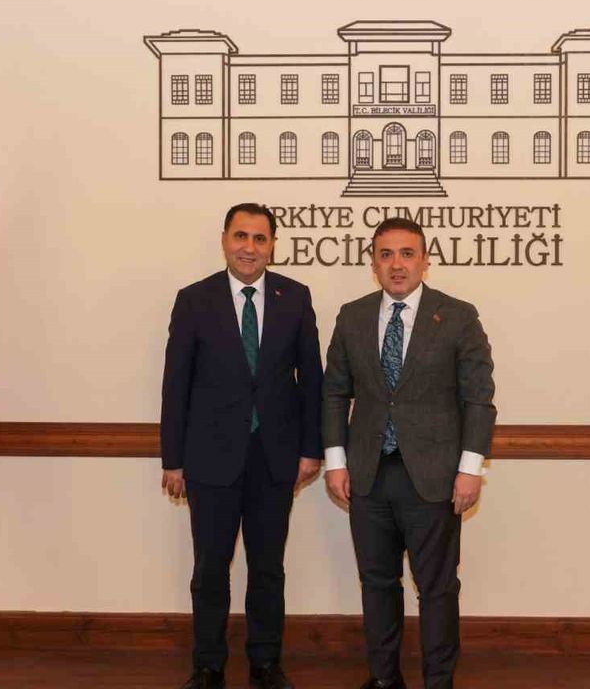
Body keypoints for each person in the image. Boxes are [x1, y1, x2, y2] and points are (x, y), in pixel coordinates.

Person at [322, 217, 497, 689]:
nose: (396, 264)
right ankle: (384, 678)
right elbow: (334, 392)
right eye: (386, 254)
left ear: (425, 260)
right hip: (368, 475)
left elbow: (478, 398)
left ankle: (438, 681)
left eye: (406, 253)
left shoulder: (457, 316)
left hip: (435, 478)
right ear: (373, 263)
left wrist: (470, 469)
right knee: (377, 584)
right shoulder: (352, 316)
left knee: (437, 589)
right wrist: (335, 462)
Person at [161, 203, 323, 689]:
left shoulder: (295, 297)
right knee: (210, 568)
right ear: (224, 240)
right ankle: (208, 665)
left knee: (268, 568)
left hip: (275, 457)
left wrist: (311, 449)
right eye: (240, 236)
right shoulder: (194, 299)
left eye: (259, 238)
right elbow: (176, 385)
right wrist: (173, 460)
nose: (249, 247)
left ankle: (265, 663)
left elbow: (312, 381)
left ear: (272, 245)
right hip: (210, 458)